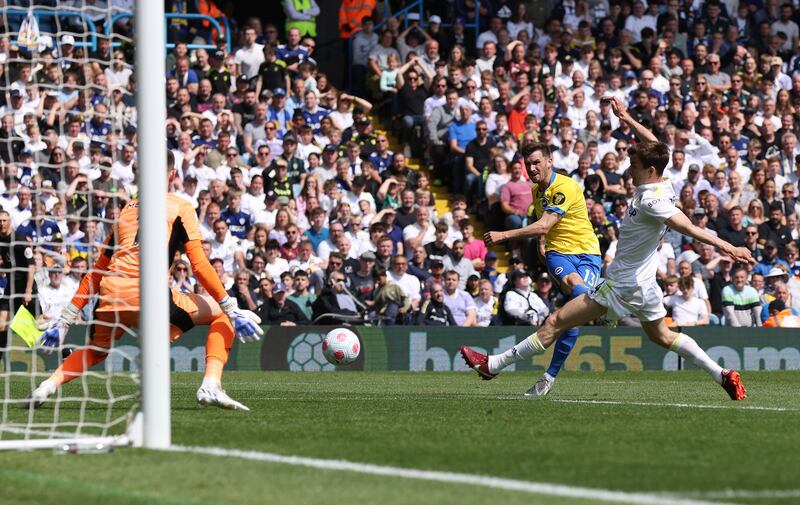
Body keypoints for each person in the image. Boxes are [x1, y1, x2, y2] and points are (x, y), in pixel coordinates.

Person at [463, 97, 751, 401]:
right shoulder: (662, 183)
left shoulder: (653, 201)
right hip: (645, 285)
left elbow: (688, 227)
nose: (629, 168)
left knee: (554, 322)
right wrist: (626, 119)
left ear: (650, 169)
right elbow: (653, 144)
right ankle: (722, 375)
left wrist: (727, 245)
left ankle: (492, 365)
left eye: (635, 165)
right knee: (663, 335)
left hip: (621, 284)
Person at [31, 152, 263, 411]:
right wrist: (231, 306)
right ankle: (211, 384)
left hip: (110, 296)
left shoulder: (126, 211)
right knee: (221, 314)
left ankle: (47, 386)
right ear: (173, 174)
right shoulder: (181, 207)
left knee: (96, 350)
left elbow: (96, 272)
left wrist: (65, 320)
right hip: (150, 296)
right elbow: (199, 265)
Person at [484, 141, 602, 397]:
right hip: (559, 254)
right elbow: (544, 227)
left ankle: (548, 377)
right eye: (528, 164)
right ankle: (601, 309)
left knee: (574, 311)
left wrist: (503, 235)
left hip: (588, 254)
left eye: (536, 162)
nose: (532, 168)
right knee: (577, 293)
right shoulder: (538, 191)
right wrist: (542, 243)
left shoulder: (565, 186)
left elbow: (543, 225)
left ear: (550, 161)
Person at [0, 209, 37, 365]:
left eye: (4, 220)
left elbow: (32, 266)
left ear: (10, 222)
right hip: (11, 289)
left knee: (37, 328)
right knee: (1, 324)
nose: (1, 223)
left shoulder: (20, 239)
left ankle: (62, 350)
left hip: (26, 289)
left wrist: (28, 291)